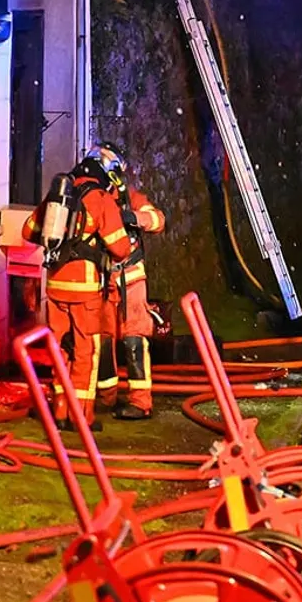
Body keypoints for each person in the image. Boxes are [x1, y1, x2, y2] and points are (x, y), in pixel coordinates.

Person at [21, 150, 133, 431]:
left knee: (60, 348)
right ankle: (82, 416)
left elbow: (28, 231)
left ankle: (59, 410)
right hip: (85, 289)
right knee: (86, 349)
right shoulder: (100, 198)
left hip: (55, 285)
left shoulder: (60, 193)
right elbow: (120, 249)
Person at [92, 143, 167, 420]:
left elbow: (158, 220)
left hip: (131, 279)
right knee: (102, 340)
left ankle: (140, 402)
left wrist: (133, 217)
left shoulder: (130, 198)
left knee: (134, 340)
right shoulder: (92, 198)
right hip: (100, 280)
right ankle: (106, 397)